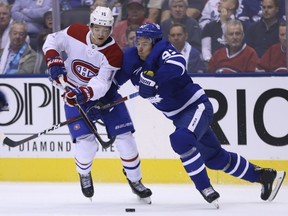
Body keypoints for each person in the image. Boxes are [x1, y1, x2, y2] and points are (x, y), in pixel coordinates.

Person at [115, 22, 286, 206]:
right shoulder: (132, 58)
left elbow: (178, 65)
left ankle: (205, 188)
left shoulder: (164, 50)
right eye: (138, 42)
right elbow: (114, 82)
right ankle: (264, 175)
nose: (140, 47)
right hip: (180, 119)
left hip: (197, 107)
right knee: (215, 158)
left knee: (180, 140)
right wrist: (99, 98)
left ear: (155, 42)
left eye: (145, 42)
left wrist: (154, 81)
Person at [42, 6, 152, 202]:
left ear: (111, 28)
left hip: (105, 97)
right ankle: (84, 174)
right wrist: (53, 59)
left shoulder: (113, 53)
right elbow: (52, 40)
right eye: (98, 28)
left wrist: (83, 93)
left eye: (106, 29)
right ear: (90, 25)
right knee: (86, 145)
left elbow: (102, 84)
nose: (101, 34)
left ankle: (135, 180)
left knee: (126, 140)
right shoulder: (75, 31)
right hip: (76, 97)